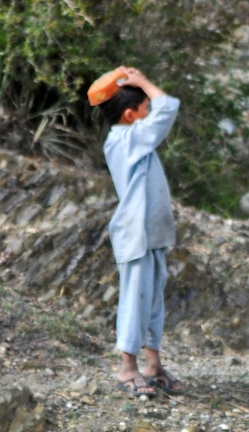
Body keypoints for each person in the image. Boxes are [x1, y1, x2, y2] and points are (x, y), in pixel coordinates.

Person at [91, 66, 186, 397]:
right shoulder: (127, 139)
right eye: (144, 110)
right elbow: (168, 107)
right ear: (131, 115)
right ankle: (127, 368)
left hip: (152, 234)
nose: (150, 114)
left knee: (152, 298)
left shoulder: (133, 138)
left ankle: (153, 365)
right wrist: (143, 82)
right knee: (136, 298)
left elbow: (160, 109)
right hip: (137, 235)